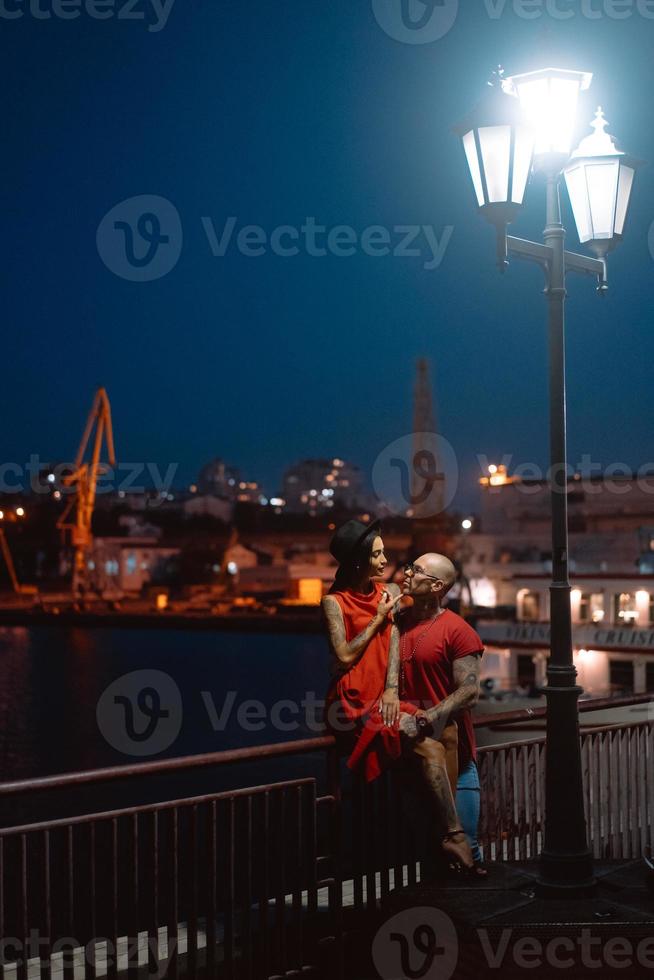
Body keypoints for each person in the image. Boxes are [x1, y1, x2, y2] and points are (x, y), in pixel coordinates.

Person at [381, 552, 484, 874]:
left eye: (417, 569)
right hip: (412, 753)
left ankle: (473, 917)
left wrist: (426, 718)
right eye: (410, 566)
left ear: (438, 585)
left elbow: (469, 692)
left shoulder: (458, 630)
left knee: (467, 845)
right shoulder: (398, 621)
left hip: (455, 754)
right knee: (424, 851)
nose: (408, 572)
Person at [321, 519, 405, 777]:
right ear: (358, 560)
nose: (384, 560)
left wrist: (391, 689)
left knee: (428, 735)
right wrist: (378, 617)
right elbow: (344, 656)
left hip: (384, 695)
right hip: (351, 700)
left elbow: (394, 638)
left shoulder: (389, 590)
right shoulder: (333, 602)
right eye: (376, 554)